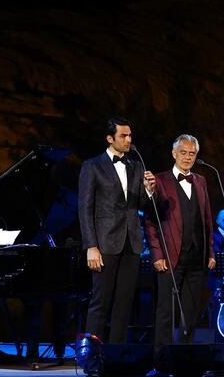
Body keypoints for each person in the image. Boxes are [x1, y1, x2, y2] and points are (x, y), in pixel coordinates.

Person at [78, 117, 155, 343]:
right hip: (104, 242)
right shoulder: (92, 166)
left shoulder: (136, 165)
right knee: (100, 301)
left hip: (131, 242)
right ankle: (92, 354)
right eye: (123, 136)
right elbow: (85, 209)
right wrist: (91, 246)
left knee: (124, 302)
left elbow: (141, 205)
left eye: (130, 135)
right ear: (110, 138)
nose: (128, 139)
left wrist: (149, 191)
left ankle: (116, 355)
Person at [143, 134, 215, 349]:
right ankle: (162, 358)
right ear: (174, 154)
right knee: (166, 311)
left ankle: (186, 356)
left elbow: (207, 220)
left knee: (191, 311)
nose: (187, 157)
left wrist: (210, 252)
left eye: (192, 153)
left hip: (196, 257)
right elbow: (150, 220)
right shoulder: (160, 179)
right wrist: (157, 255)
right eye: (183, 152)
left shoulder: (201, 181)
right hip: (170, 256)